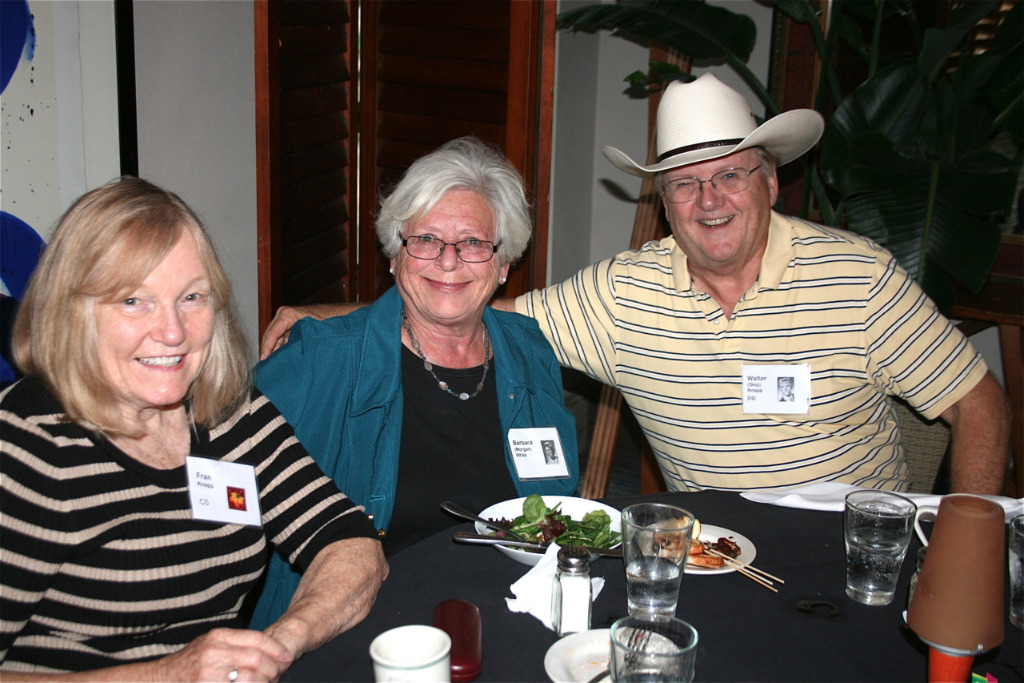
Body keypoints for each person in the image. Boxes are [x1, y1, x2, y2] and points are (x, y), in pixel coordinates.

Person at [258, 75, 1011, 496]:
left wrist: (967, 532)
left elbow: (979, 404)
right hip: (712, 554)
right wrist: (322, 314)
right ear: (663, 202)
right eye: (685, 183)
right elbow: (464, 305)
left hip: (846, 551)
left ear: (771, 181)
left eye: (729, 175)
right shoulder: (624, 295)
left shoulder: (860, 277)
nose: (708, 200)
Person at [0, 177, 388, 681]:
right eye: (133, 301)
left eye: (191, 297)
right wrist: (169, 674)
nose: (172, 332)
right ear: (73, 312)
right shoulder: (28, 450)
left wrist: (279, 644)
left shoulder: (227, 412)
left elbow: (350, 542)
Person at [248, 137, 579, 628]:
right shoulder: (321, 360)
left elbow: (558, 504)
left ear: (504, 263)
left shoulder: (530, 350)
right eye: (425, 240)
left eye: (472, 243)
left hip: (513, 612)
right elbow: (210, 478)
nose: (448, 261)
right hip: (365, 628)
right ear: (394, 255)